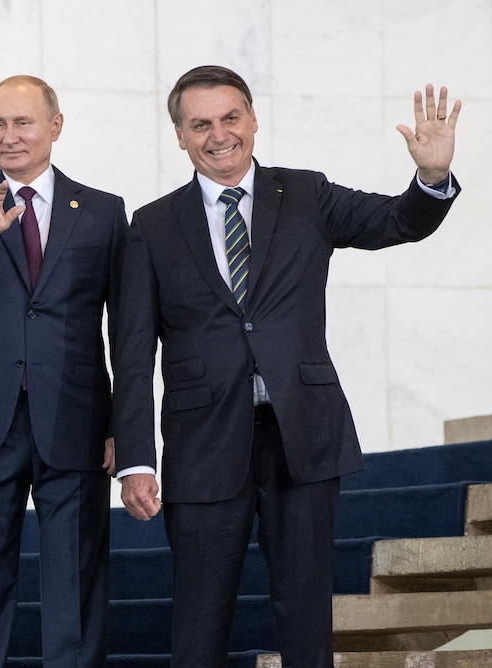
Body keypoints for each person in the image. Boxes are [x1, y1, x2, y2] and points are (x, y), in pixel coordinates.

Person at [113, 65, 462, 667]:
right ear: (179, 136)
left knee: (305, 620)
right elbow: (133, 349)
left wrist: (430, 177)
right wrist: (136, 459)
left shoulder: (306, 194)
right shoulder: (151, 226)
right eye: (200, 124)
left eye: (230, 118)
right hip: (202, 441)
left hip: (301, 434)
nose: (218, 134)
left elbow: (396, 221)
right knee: (198, 626)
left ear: (252, 119)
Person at [0, 75, 128, 667]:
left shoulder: (104, 213)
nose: (10, 137)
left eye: (23, 122)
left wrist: (124, 424)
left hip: (76, 419)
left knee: (76, 588)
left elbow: (125, 329)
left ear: (55, 126)